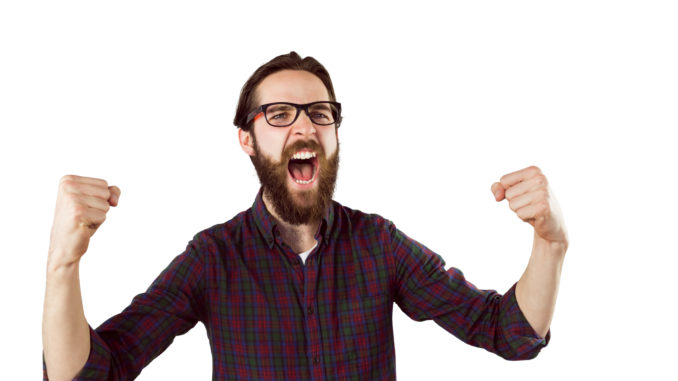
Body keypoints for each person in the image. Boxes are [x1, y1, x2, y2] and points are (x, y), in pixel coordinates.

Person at [42, 52, 568, 380]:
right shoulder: (212, 259)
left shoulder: (379, 244)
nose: (305, 127)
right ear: (247, 139)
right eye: (279, 114)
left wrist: (551, 241)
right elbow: (91, 374)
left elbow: (510, 334)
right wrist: (61, 266)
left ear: (335, 134)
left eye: (320, 113)